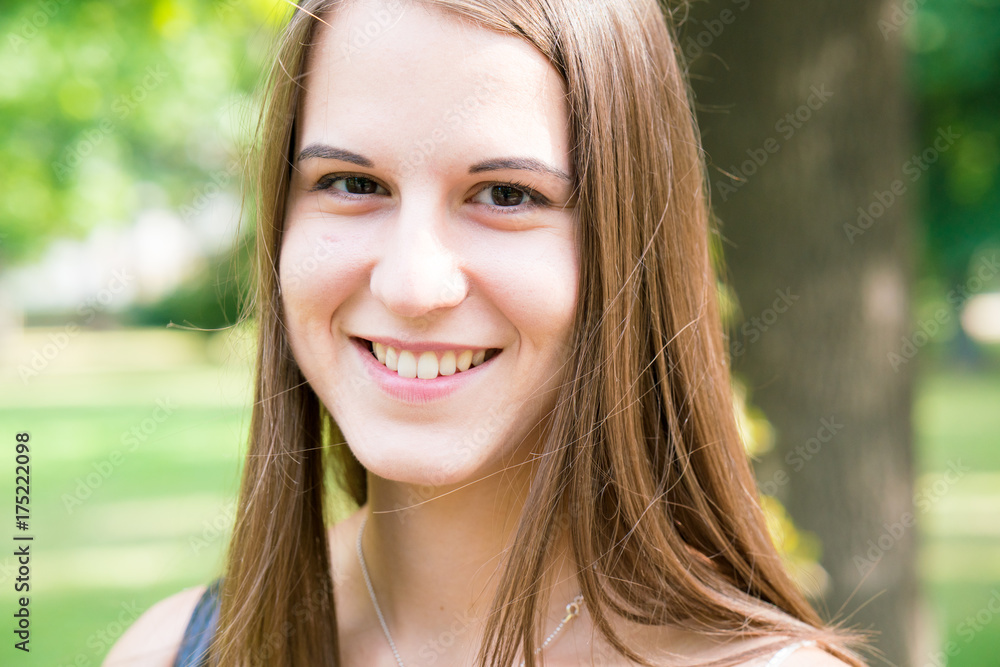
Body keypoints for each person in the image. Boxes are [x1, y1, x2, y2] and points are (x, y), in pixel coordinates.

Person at [106, 0, 869, 665]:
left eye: (506, 194)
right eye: (352, 184)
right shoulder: (174, 650)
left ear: (633, 244)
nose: (411, 285)